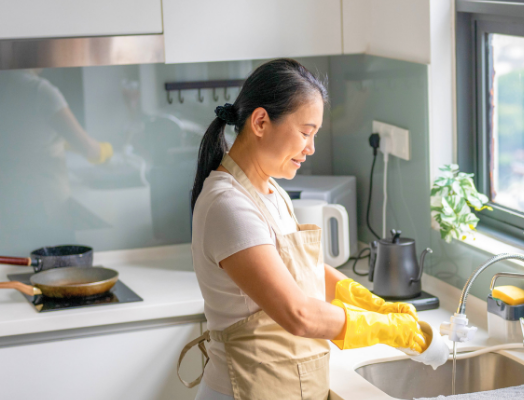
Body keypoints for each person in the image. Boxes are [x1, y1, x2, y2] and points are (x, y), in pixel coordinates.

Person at [178, 59, 432, 400]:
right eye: (305, 132)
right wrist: (387, 330)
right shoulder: (229, 205)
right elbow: (298, 314)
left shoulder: (270, 191)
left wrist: (373, 304)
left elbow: (303, 272)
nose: (310, 148)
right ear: (261, 122)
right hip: (242, 390)